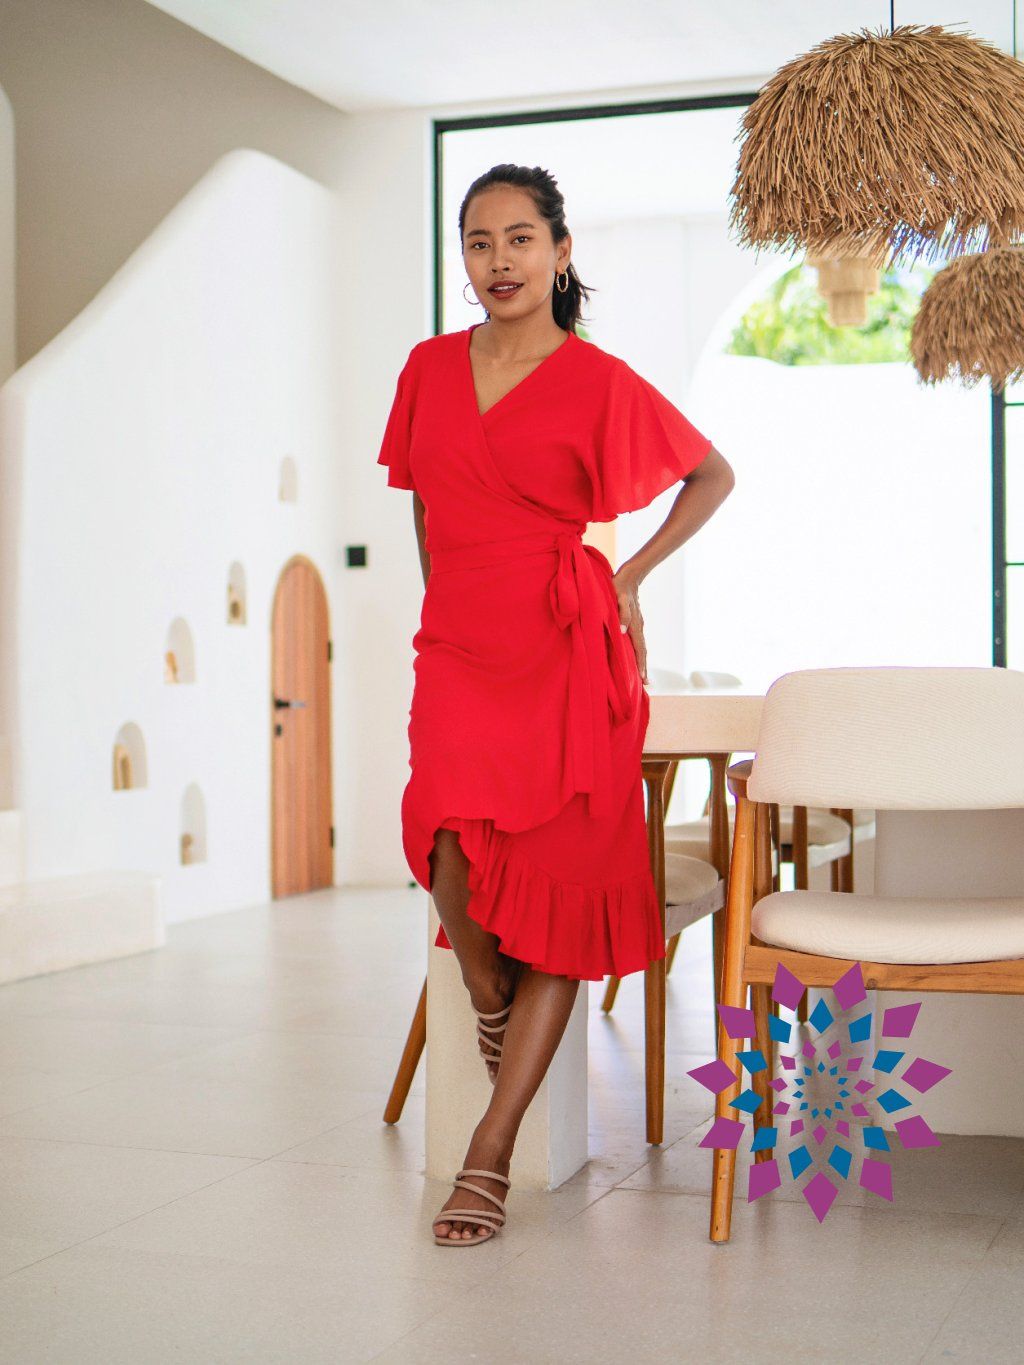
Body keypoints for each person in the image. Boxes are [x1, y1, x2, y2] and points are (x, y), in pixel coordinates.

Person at [376, 163, 735, 1246]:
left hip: (566, 647)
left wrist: (628, 578)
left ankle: (487, 1155)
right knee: (447, 846)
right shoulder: (428, 368)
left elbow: (712, 476)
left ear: (560, 250)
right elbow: (423, 503)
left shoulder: (598, 380)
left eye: (520, 238)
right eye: (479, 242)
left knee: (564, 901)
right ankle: (490, 1002)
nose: (500, 261)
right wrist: (444, 604)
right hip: (460, 641)